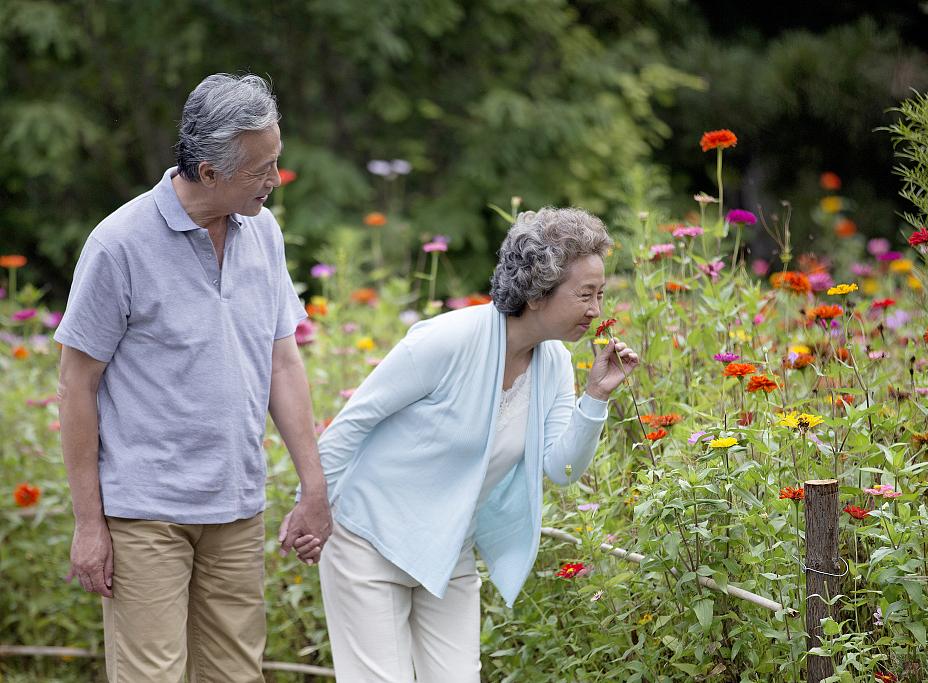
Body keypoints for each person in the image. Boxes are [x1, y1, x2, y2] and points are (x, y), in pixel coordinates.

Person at [55, 73, 332, 682]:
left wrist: (314, 487)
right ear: (209, 172)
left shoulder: (264, 232)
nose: (274, 181)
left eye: (276, 162)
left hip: (235, 505)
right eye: (262, 169)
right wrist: (88, 524)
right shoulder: (118, 244)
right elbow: (77, 387)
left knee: (237, 675)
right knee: (152, 676)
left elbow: (282, 360)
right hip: (144, 511)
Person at [316, 207, 640, 682]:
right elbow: (348, 427)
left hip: (448, 551)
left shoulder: (554, 365)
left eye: (600, 294)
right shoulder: (447, 339)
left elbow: (561, 471)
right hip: (369, 541)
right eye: (584, 295)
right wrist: (314, 509)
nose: (596, 310)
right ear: (536, 292)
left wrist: (595, 397)